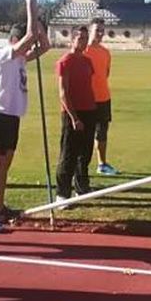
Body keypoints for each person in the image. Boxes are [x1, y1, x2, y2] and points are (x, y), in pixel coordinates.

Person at [0, 0, 50, 233]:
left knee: (4, 166)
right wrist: (31, 8)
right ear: (15, 40)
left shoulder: (20, 60)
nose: (30, 45)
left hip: (12, 117)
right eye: (26, 41)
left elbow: (45, 46)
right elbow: (29, 39)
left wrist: (40, 28)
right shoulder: (3, 55)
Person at [55, 26, 97, 203]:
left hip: (89, 111)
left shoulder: (88, 61)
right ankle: (62, 194)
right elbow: (63, 92)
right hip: (73, 113)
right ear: (72, 40)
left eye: (86, 38)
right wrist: (74, 118)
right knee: (68, 155)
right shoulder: (65, 61)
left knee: (85, 154)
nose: (84, 41)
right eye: (80, 38)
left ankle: (81, 187)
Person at [85, 18, 120, 177]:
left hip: (104, 98)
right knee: (85, 135)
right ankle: (82, 166)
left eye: (102, 30)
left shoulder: (106, 52)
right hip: (87, 100)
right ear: (89, 30)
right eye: (96, 30)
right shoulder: (83, 51)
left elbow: (105, 74)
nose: (100, 33)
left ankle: (102, 164)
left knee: (102, 133)